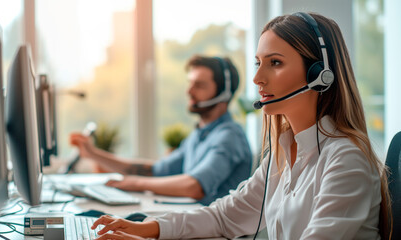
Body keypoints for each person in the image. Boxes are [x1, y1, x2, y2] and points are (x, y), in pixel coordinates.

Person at [87, 12, 392, 240]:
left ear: (319, 73)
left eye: (275, 62)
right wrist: (148, 229)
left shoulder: (345, 159)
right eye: (258, 63)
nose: (258, 78)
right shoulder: (284, 153)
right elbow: (226, 215)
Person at [70, 55, 253, 206]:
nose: (189, 91)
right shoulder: (200, 134)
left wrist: (133, 184)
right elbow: (155, 170)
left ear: (224, 94)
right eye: (190, 83)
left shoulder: (229, 137)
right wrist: (93, 154)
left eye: (199, 85)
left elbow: (195, 186)